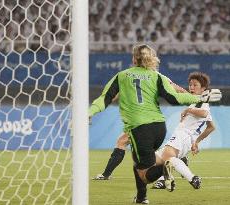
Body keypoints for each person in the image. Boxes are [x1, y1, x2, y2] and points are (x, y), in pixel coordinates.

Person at [89, 44, 221, 204]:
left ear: (133, 58)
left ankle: (165, 170)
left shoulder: (123, 75)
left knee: (142, 168)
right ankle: (142, 196)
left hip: (140, 126)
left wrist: (89, 112)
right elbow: (174, 96)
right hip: (159, 127)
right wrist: (198, 98)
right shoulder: (157, 76)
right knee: (142, 160)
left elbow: (106, 97)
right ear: (151, 59)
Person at [153, 72, 215, 191]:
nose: (191, 87)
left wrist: (188, 110)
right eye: (190, 84)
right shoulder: (195, 101)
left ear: (203, 89)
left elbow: (204, 113)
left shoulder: (202, 102)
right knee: (152, 161)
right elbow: (211, 127)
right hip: (185, 138)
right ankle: (163, 179)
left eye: (195, 85)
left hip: (183, 136)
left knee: (168, 156)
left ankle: (192, 178)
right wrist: (196, 141)